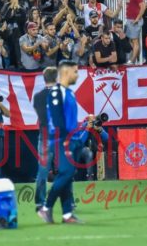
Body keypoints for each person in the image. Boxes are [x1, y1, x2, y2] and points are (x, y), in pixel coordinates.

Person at [37, 60, 83, 224]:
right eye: (75, 72)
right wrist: (65, 139)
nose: (77, 75)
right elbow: (56, 118)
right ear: (66, 72)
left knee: (67, 175)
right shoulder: (57, 92)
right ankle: (46, 207)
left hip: (71, 138)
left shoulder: (69, 93)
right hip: (62, 139)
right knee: (67, 172)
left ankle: (67, 214)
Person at [33, 66, 58, 211]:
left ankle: (39, 202)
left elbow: (40, 114)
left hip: (44, 136)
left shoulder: (37, 97)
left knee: (42, 170)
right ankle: (69, 201)